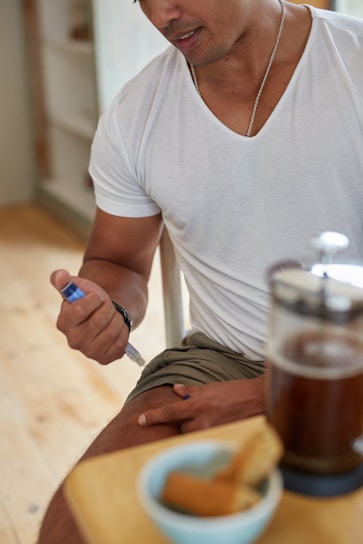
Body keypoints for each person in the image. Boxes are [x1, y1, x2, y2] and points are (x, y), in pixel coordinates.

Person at [37, 1, 363, 542]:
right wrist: (108, 307)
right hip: (221, 362)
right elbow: (117, 262)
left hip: (347, 361)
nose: (163, 13)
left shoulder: (352, 61)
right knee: (75, 527)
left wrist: (279, 395)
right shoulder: (134, 115)